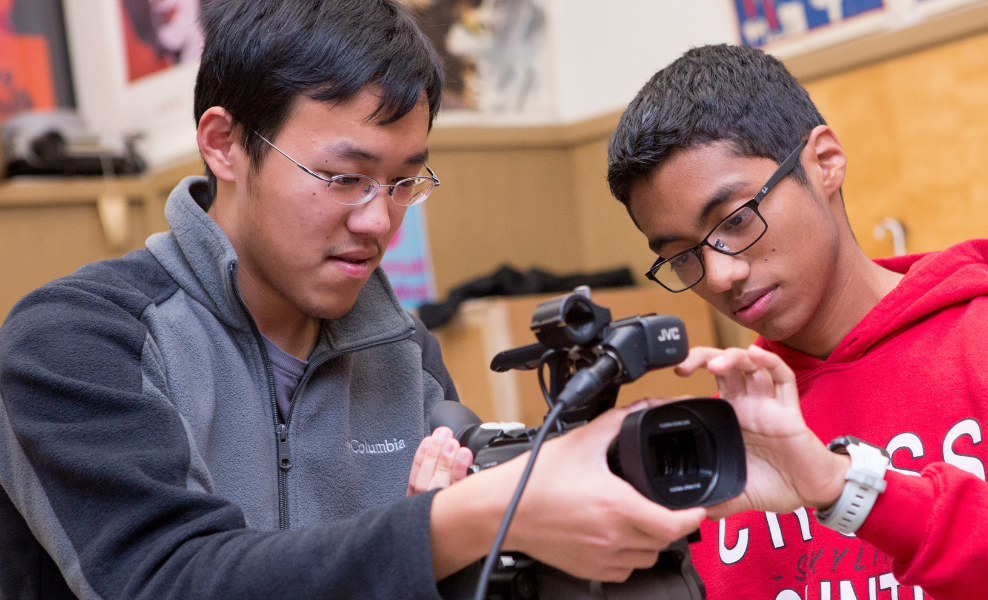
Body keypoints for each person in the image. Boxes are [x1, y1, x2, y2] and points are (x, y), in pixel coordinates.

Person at [0, 1, 704, 598]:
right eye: (343, 177)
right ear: (224, 144)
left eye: (405, 179)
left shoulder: (403, 352)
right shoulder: (77, 340)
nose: (379, 220)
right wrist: (454, 527)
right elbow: (170, 577)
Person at [605, 44, 988, 599]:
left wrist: (851, 490)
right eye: (683, 255)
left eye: (735, 219)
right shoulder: (735, 432)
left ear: (824, 162)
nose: (719, 274)